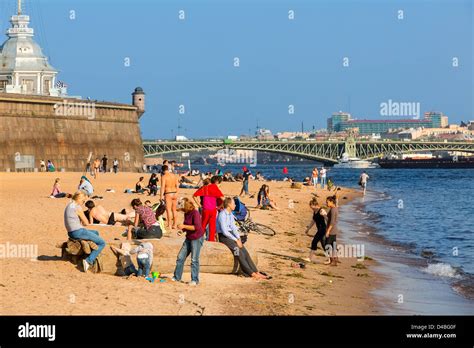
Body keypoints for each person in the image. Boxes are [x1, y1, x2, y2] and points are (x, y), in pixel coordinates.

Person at [217, 197, 270, 280]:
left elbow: (234, 227)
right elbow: (224, 232)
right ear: (229, 205)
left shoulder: (230, 214)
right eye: (234, 203)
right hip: (224, 237)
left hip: (231, 235)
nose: (235, 205)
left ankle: (256, 271)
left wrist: (238, 238)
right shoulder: (222, 215)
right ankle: (251, 273)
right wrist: (235, 240)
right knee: (238, 252)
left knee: (245, 252)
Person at [64, 191, 106, 272]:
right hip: (78, 232)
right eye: (83, 201)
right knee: (102, 243)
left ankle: (91, 253)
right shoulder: (77, 207)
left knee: (96, 233)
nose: (83, 203)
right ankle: (88, 261)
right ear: (79, 199)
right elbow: (86, 223)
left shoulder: (69, 205)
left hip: (71, 232)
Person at [173, 199, 205, 285]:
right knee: (180, 257)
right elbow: (187, 225)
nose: (181, 210)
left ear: (185, 207)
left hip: (197, 238)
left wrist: (184, 226)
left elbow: (196, 227)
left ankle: (194, 280)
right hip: (189, 238)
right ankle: (177, 277)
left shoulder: (195, 213)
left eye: (182, 208)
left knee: (194, 259)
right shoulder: (186, 213)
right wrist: (182, 230)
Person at [193, 176, 224, 242]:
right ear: (217, 182)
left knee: (203, 225)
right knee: (212, 226)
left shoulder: (205, 188)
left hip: (205, 209)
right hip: (213, 209)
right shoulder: (215, 188)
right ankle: (211, 240)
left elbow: (194, 196)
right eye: (220, 183)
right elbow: (223, 199)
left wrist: (199, 205)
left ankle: (198, 238)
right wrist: (219, 207)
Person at [303, 197, 327, 263]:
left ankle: (310, 258)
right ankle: (331, 258)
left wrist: (324, 215)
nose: (312, 209)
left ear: (316, 205)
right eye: (311, 208)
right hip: (319, 229)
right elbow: (313, 221)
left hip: (323, 229)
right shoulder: (315, 211)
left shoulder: (321, 210)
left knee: (314, 241)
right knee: (324, 244)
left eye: (312, 207)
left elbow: (328, 219)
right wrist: (308, 229)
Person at [160, 165, 179, 229]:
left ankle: (170, 225)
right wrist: (177, 193)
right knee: (174, 210)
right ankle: (175, 225)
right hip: (175, 193)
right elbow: (177, 185)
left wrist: (161, 196)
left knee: (168, 210)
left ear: (163, 170)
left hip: (168, 193)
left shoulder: (164, 176)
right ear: (168, 169)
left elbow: (162, 187)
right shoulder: (174, 175)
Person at [325, 195, 340, 266]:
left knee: (327, 246)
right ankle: (335, 259)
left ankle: (333, 260)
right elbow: (329, 220)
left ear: (331, 202)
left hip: (332, 230)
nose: (326, 203)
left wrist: (328, 231)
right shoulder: (334, 208)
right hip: (334, 229)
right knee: (333, 245)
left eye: (327, 202)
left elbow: (332, 222)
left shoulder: (333, 210)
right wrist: (324, 215)